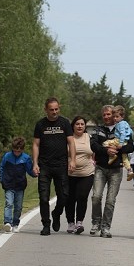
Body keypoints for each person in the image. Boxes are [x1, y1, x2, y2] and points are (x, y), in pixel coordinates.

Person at [32, 97, 76, 236]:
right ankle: (46, 224)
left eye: (56, 109)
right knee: (43, 197)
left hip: (61, 165)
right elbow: (36, 144)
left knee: (64, 196)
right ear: (46, 110)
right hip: (44, 166)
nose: (54, 112)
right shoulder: (40, 124)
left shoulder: (64, 123)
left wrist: (72, 160)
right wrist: (35, 163)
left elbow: (71, 142)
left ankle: (56, 213)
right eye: (51, 110)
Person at [89, 104, 134, 237]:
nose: (106, 117)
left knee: (110, 200)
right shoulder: (98, 129)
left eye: (109, 114)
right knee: (96, 197)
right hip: (100, 168)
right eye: (104, 115)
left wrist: (119, 149)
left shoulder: (122, 127)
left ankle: (106, 227)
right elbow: (93, 145)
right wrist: (106, 150)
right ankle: (96, 222)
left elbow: (131, 147)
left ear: (114, 115)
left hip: (116, 170)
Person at [0, 136, 36, 232]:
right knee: (9, 203)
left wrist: (35, 174)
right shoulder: (7, 156)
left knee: (18, 206)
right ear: (12, 148)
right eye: (15, 151)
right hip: (8, 184)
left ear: (22, 150)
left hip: (20, 185)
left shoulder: (26, 158)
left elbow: (29, 170)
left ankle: (15, 223)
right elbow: (2, 168)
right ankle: (7, 222)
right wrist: (2, 179)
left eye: (19, 151)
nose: (16, 153)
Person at [64, 115, 94, 234]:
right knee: (70, 198)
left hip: (87, 173)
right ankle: (71, 223)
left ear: (85, 126)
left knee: (82, 197)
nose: (80, 126)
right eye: (77, 124)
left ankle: (79, 223)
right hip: (69, 174)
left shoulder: (89, 137)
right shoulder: (68, 138)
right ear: (73, 126)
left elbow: (95, 151)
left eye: (82, 124)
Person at [103, 106, 134, 178]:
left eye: (117, 117)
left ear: (122, 117)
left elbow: (123, 134)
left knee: (105, 143)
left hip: (119, 140)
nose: (115, 118)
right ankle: (129, 170)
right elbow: (130, 131)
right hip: (124, 141)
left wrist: (120, 143)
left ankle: (112, 156)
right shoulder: (125, 123)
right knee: (125, 158)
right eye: (114, 117)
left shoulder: (120, 124)